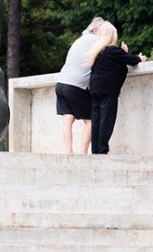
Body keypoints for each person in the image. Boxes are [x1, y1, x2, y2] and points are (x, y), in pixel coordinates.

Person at [84, 22, 146, 155]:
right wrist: (141, 57)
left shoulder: (98, 52)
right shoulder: (113, 50)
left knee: (96, 121)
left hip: (94, 88)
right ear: (112, 36)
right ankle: (102, 151)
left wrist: (122, 52)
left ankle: (96, 151)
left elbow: (115, 62)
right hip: (108, 90)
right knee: (106, 120)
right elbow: (132, 60)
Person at [56, 16, 105, 154]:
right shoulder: (95, 40)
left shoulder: (79, 40)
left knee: (68, 118)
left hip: (61, 83)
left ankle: (68, 152)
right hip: (76, 85)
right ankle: (82, 152)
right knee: (90, 119)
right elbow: (109, 57)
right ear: (95, 30)